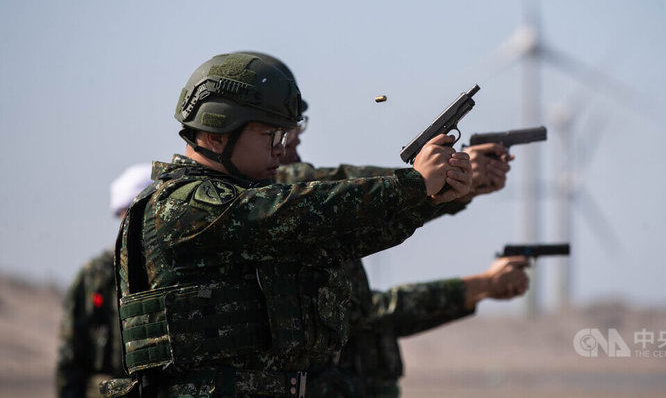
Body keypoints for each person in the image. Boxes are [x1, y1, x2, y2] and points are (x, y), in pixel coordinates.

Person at [103, 52, 472, 398]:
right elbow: (300, 211)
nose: (281, 149)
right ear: (217, 134)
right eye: (271, 136)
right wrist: (413, 184)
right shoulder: (184, 204)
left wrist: (429, 198)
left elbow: (338, 236)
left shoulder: (242, 205)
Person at [261, 54, 530, 397]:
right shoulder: (283, 195)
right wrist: (426, 182)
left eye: (298, 125)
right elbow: (355, 190)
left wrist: (449, 188)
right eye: (284, 127)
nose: (295, 137)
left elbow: (369, 312)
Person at [57, 164, 152, 398]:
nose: (128, 221)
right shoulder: (95, 276)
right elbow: (71, 357)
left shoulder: (167, 268)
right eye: (123, 213)